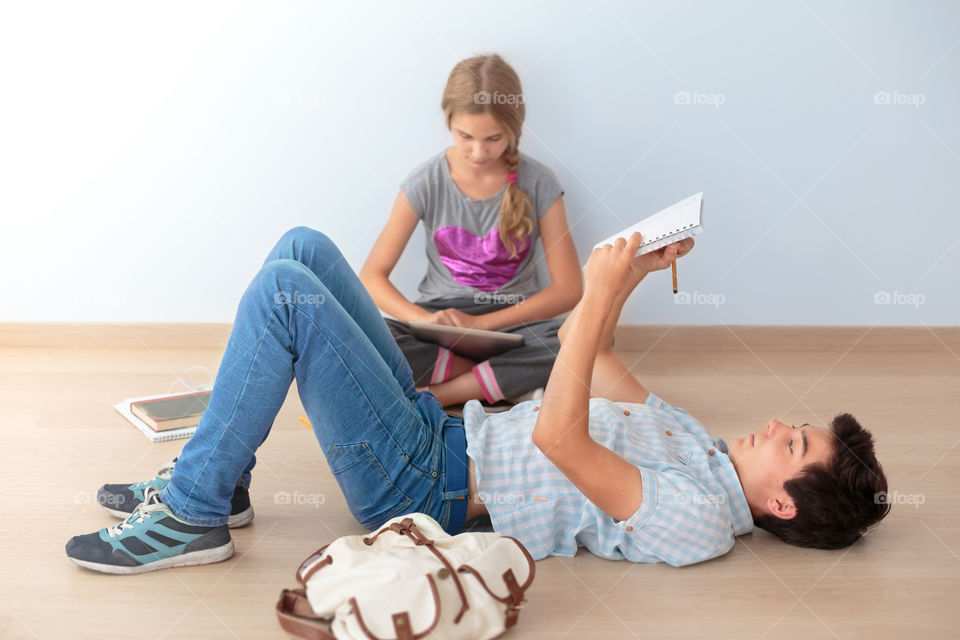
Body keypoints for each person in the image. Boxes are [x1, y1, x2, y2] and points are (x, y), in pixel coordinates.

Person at [65, 227, 889, 574]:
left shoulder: (700, 522)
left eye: (794, 444)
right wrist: (629, 276)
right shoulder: (696, 441)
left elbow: (564, 441)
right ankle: (223, 482)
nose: (779, 426)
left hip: (425, 487)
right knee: (304, 250)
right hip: (439, 430)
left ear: (781, 501)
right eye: (796, 426)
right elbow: (587, 356)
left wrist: (595, 292)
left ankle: (192, 514)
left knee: (287, 294)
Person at [359, 54, 582, 407]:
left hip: (514, 323)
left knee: (585, 335)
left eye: (494, 138)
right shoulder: (425, 181)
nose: (479, 152)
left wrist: (483, 326)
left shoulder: (539, 181)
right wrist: (425, 319)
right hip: (440, 325)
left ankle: (440, 393)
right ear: (448, 120)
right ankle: (499, 381)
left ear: (514, 128)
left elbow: (570, 289)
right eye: (465, 136)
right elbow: (372, 277)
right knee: (368, 335)